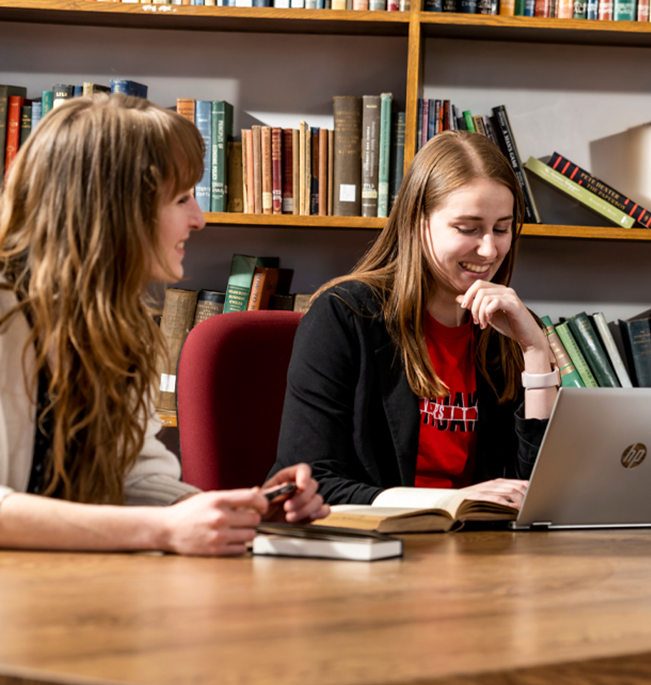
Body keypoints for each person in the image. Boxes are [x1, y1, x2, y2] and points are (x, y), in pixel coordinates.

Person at [0, 93, 327, 555]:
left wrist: (242, 515)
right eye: (181, 198)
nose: (199, 219)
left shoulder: (119, 324)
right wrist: (164, 531)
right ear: (112, 209)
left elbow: (140, 481)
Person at [271, 130, 556, 508]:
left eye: (502, 229)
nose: (489, 249)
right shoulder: (344, 315)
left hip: (482, 551)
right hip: (376, 548)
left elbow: (538, 492)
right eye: (468, 228)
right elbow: (310, 484)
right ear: (417, 221)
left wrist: (535, 351)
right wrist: (448, 501)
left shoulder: (507, 326)